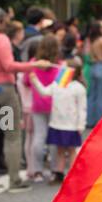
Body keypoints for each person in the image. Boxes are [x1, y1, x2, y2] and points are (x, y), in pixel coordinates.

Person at [0, 7, 52, 192]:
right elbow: (8, 65)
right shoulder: (2, 40)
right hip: (3, 94)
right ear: (0, 22)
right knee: (11, 135)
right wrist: (34, 65)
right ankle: (14, 180)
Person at [28, 55, 87, 181]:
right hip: (57, 124)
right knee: (59, 150)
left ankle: (73, 174)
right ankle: (58, 173)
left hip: (71, 125)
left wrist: (80, 125)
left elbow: (82, 108)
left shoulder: (78, 88)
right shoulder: (57, 84)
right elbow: (44, 92)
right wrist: (34, 80)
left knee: (71, 151)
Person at [24, 34, 62, 183]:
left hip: (37, 104)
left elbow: (27, 81)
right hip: (55, 105)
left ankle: (37, 170)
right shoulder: (59, 65)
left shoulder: (33, 63)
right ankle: (54, 169)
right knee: (53, 138)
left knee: (38, 136)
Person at [83, 21, 102, 128]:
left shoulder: (90, 41)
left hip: (93, 68)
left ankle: (89, 121)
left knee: (92, 96)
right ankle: (100, 122)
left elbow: (85, 55)